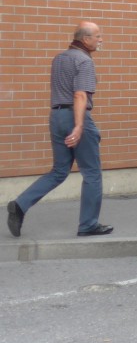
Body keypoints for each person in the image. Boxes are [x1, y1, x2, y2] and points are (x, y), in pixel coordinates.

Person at [7, 21, 113, 238]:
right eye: (98, 36)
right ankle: (88, 225)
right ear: (85, 39)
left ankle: (19, 205)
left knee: (59, 171)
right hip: (75, 115)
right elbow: (80, 95)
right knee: (92, 173)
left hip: (56, 116)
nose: (101, 40)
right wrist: (79, 125)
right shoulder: (84, 61)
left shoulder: (59, 58)